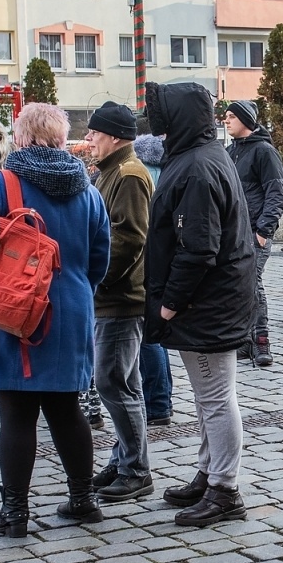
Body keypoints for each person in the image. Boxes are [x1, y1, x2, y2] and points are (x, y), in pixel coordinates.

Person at [0, 103, 110, 538]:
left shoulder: (5, 182)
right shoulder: (89, 190)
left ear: (19, 139)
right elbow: (101, 259)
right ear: (62, 140)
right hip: (71, 310)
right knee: (67, 409)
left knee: (17, 415)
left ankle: (16, 513)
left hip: (14, 308)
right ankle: (83, 499)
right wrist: (74, 290)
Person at [144, 81, 255, 527]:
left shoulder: (198, 166)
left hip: (207, 300)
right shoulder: (201, 156)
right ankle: (209, 473)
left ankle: (225, 489)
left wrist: (170, 303)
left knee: (215, 396)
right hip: (214, 296)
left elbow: (199, 248)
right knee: (210, 394)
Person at [85, 101, 156, 505]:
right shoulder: (111, 172)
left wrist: (96, 278)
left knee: (112, 381)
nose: (89, 140)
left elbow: (127, 240)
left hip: (120, 298)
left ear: (114, 136)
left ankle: (135, 469)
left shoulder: (128, 174)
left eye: (94, 133)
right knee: (124, 383)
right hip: (112, 296)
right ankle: (125, 458)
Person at [224, 100, 283, 368]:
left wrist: (264, 229)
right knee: (238, 287)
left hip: (255, 233)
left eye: (231, 116)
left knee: (253, 285)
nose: (226, 121)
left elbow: (275, 191)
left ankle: (262, 341)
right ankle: (244, 341)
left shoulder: (264, 151)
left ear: (246, 120)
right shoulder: (229, 151)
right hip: (234, 233)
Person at [133, 130, 174, 424]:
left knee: (148, 336)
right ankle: (163, 400)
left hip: (146, 257)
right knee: (155, 333)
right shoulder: (168, 166)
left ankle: (158, 403)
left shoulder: (139, 170)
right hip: (163, 255)